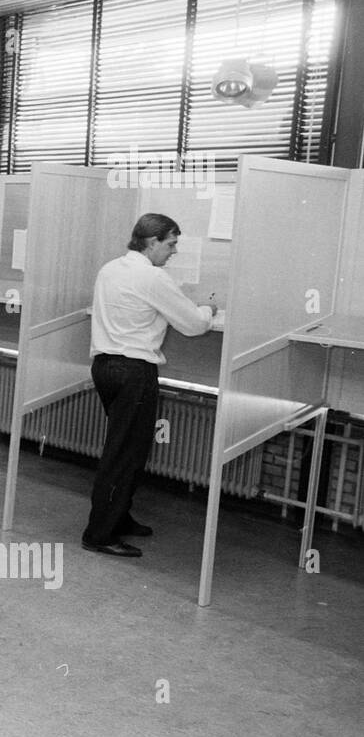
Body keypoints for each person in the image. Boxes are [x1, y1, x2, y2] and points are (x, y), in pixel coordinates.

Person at [84, 213, 216, 558]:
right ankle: (100, 534)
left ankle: (119, 517)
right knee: (125, 454)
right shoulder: (153, 277)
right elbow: (194, 325)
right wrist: (207, 308)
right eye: (170, 243)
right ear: (152, 241)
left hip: (105, 367)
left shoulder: (110, 269)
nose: (173, 251)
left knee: (122, 448)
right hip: (133, 372)